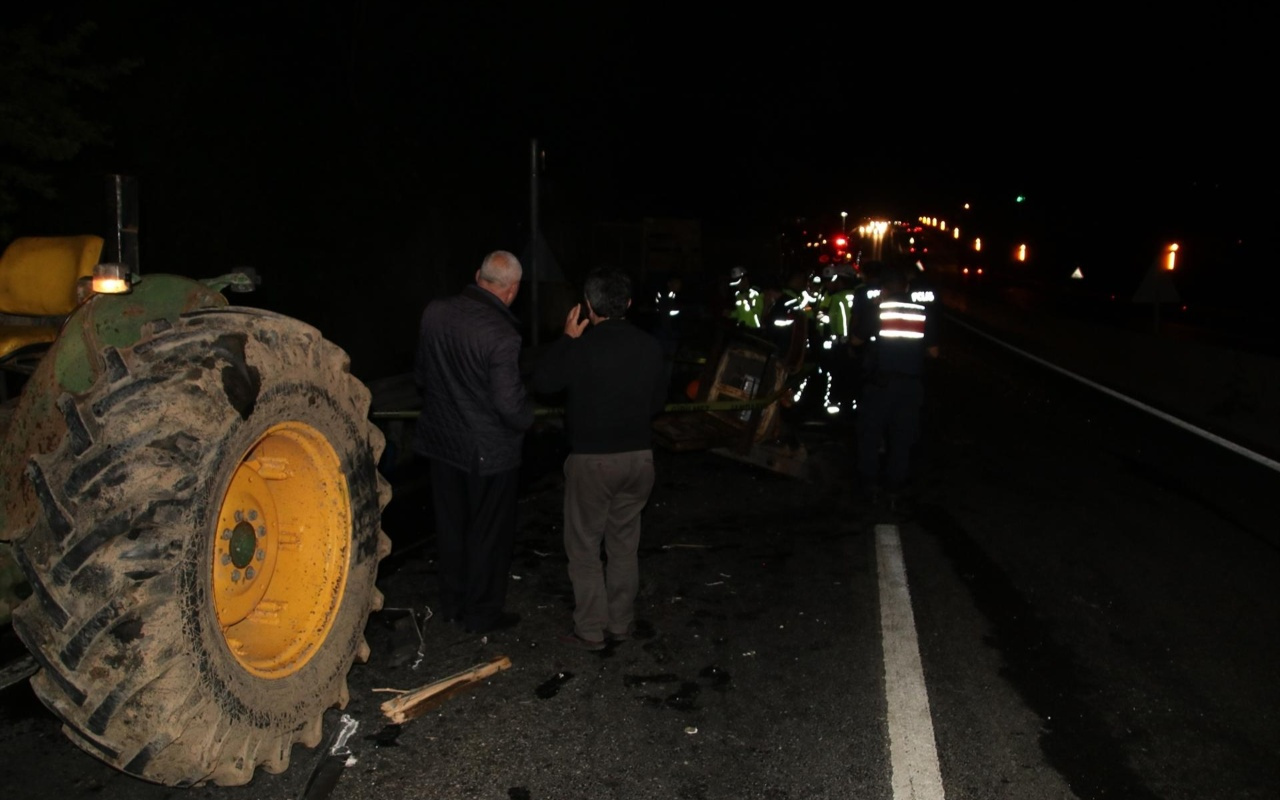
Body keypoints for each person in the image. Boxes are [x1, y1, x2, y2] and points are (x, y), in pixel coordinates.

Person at [531, 266, 667, 651]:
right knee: (624, 543)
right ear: (628, 303)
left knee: (585, 547)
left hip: (593, 460)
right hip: (639, 458)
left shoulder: (582, 347)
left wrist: (567, 339)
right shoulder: (650, 346)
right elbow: (657, 403)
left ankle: (590, 627)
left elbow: (543, 384)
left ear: (588, 306)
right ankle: (620, 622)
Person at [412, 250, 535, 634]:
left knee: (451, 528)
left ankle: (451, 603)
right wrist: (528, 420)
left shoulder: (434, 311)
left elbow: (421, 374)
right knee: (488, 533)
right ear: (512, 290)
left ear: (477, 276)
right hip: (487, 453)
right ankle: (481, 612)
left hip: (441, 444)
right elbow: (509, 405)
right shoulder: (502, 335)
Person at [850, 259, 939, 511]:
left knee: (870, 435)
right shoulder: (923, 313)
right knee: (901, 439)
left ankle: (870, 488)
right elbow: (934, 352)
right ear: (906, 287)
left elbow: (856, 341)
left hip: (879, 385)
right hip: (910, 387)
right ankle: (893, 490)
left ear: (884, 289)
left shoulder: (878, 310)